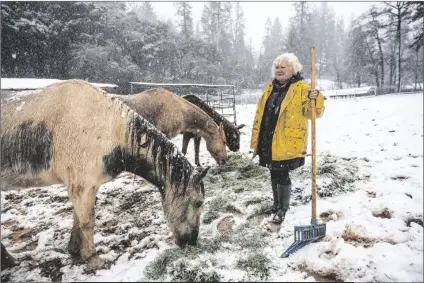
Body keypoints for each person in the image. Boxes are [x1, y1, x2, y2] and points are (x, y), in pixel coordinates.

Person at [250, 53, 325, 224]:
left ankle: (283, 208)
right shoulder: (270, 88)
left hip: (287, 140)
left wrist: (316, 98)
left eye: (284, 67)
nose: (279, 69)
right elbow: (261, 114)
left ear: (294, 69)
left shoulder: (302, 88)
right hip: (268, 138)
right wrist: (257, 138)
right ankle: (276, 204)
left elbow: (313, 114)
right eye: (277, 67)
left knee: (281, 173)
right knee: (273, 170)